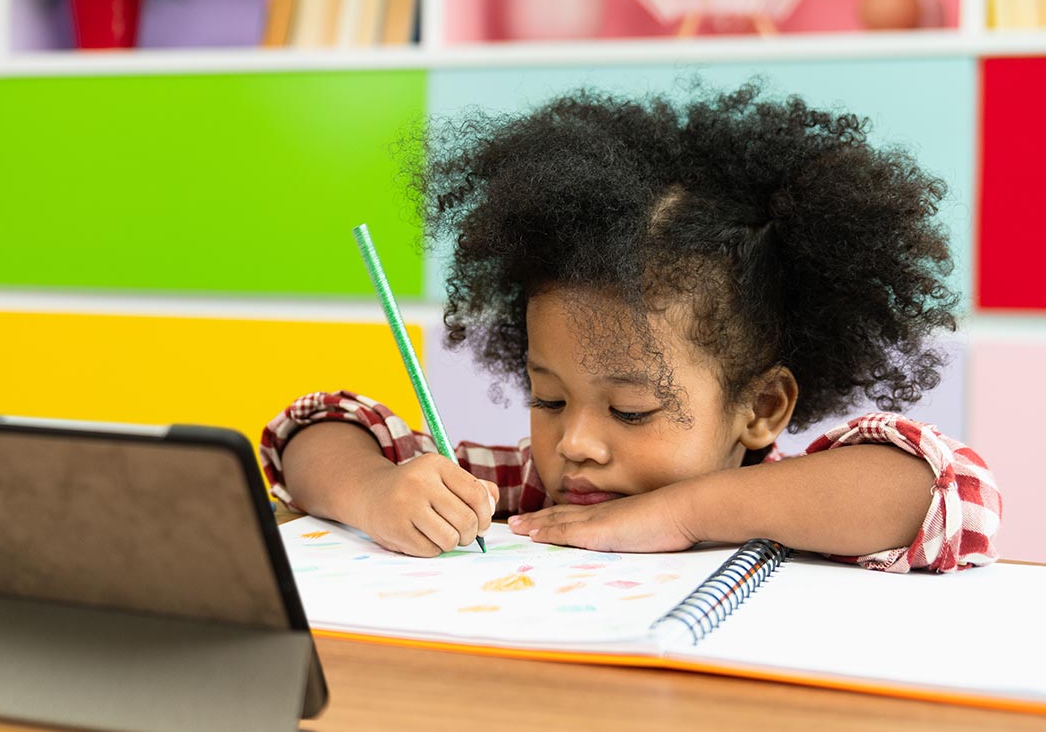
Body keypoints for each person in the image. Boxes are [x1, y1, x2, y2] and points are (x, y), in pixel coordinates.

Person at [260, 84, 1001, 572]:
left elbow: (956, 492)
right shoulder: (523, 497)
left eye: (630, 410)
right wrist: (373, 496)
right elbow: (318, 427)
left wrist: (681, 515)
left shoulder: (804, 508)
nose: (573, 443)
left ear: (761, 408)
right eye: (549, 399)